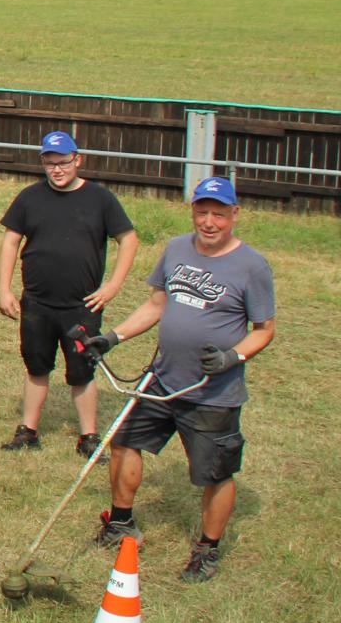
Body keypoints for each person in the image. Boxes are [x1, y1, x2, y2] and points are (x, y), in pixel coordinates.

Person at [86, 177, 275, 582]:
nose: (209, 222)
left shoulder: (252, 266)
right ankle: (120, 523)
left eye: (218, 214)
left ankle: (207, 549)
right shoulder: (176, 249)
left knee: (215, 473)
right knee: (124, 444)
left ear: (234, 215)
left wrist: (232, 356)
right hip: (163, 378)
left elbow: (264, 329)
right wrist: (112, 337)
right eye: (202, 212)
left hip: (213, 393)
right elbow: (157, 304)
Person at [0, 131, 139, 457]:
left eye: (62, 163)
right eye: (49, 164)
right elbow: (10, 241)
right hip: (37, 303)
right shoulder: (30, 197)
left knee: (82, 370)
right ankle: (28, 431)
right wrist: (4, 290)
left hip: (81, 306)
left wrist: (112, 286)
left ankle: (89, 437)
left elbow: (128, 240)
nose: (56, 170)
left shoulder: (101, 200)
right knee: (36, 366)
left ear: (78, 160)